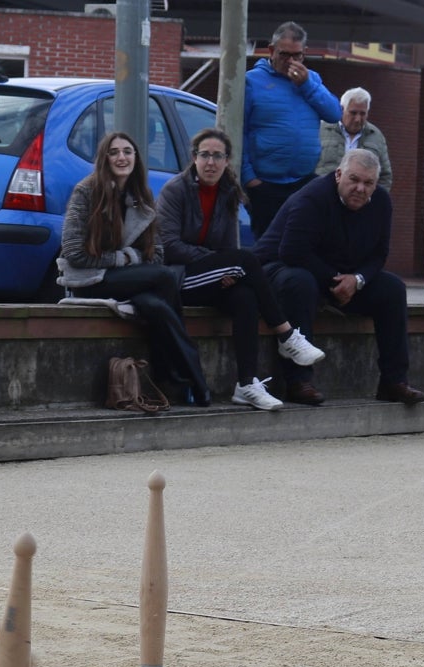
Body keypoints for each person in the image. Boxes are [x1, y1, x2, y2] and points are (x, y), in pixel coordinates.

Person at [157, 127, 327, 411]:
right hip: (176, 278)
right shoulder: (175, 190)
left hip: (210, 276)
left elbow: (228, 249)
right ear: (194, 158)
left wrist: (225, 267)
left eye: (217, 156)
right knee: (246, 260)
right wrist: (217, 260)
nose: (211, 162)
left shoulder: (228, 193)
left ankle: (246, 384)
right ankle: (286, 334)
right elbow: (169, 246)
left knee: (245, 296)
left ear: (227, 161)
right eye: (205, 155)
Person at [254, 148, 424, 406]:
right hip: (280, 267)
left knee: (392, 289)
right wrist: (337, 280)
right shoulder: (313, 197)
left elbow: (379, 255)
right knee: (300, 283)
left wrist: (356, 280)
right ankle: (298, 381)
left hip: (339, 276)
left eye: (368, 183)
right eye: (354, 180)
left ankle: (394, 381)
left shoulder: (381, 203)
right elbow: (292, 251)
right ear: (338, 175)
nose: (360, 188)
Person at [57, 131, 211, 406]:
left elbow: (158, 252)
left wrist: (131, 262)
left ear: (136, 158)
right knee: (165, 277)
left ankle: (169, 374)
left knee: (157, 307)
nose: (121, 157)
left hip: (128, 281)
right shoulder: (86, 192)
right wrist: (124, 259)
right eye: (113, 152)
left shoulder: (141, 195)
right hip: (90, 279)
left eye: (127, 151)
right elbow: (73, 252)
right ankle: (195, 378)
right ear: (104, 159)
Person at [241, 21, 341, 239]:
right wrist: (249, 179)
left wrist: (306, 85)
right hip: (265, 184)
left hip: (303, 181)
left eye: (297, 56)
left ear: (305, 53)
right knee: (268, 245)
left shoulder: (311, 80)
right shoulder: (251, 82)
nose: (291, 62)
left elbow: (334, 113)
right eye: (285, 55)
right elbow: (240, 132)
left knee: (303, 240)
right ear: (271, 50)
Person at [314, 87, 392, 191]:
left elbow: (385, 176)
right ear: (342, 109)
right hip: (323, 197)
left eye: (362, 114)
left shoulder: (376, 136)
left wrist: (375, 201)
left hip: (360, 199)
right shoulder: (321, 130)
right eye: (353, 113)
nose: (358, 119)